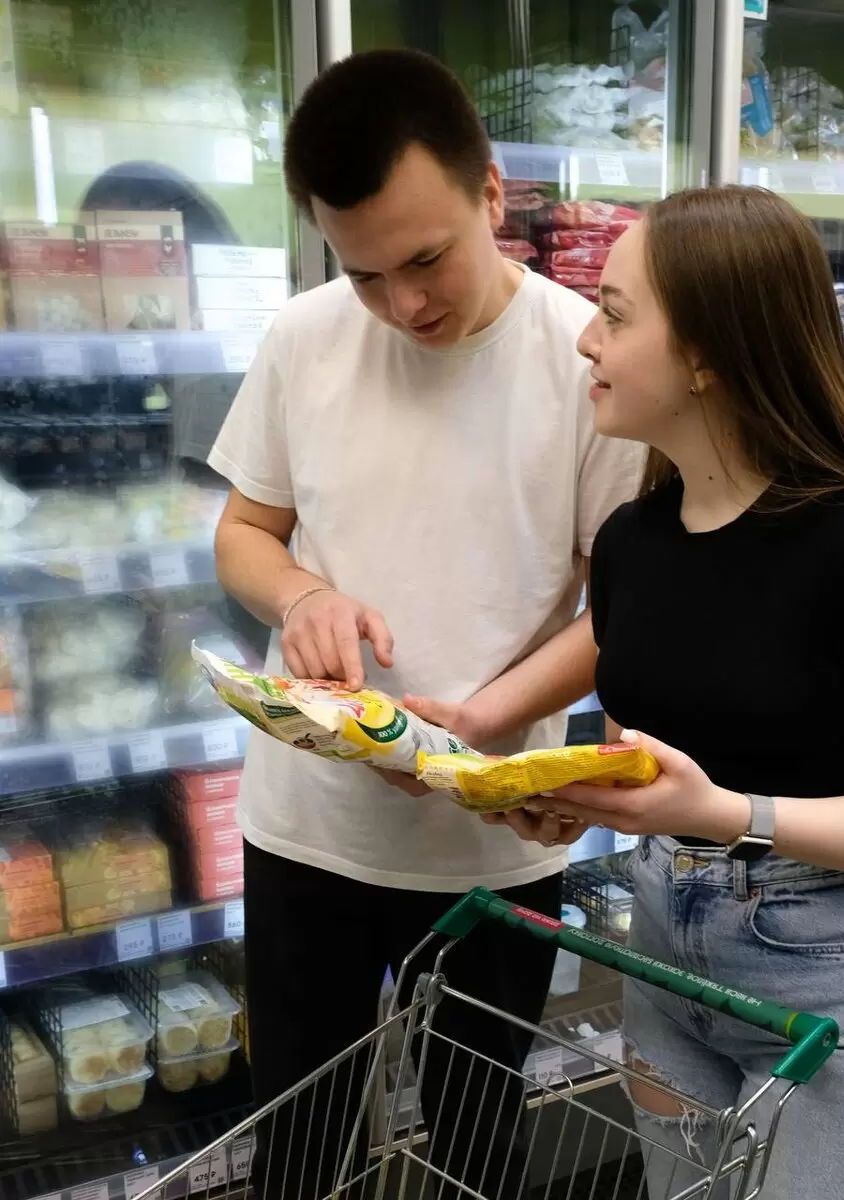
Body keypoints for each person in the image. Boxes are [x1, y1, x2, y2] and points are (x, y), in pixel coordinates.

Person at [207, 48, 640, 1198]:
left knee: (478, 1150)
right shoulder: (304, 338)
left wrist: (479, 727)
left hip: (494, 839)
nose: (404, 305)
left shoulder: (587, 360)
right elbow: (243, 534)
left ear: (492, 193)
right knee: (300, 1153)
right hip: (308, 831)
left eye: (425, 259)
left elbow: (622, 606)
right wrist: (305, 596)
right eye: (363, 274)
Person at [473, 184, 844, 1200]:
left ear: (706, 355)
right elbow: (649, 766)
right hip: (662, 948)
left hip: (833, 971)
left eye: (614, 315)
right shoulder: (632, 543)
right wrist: (574, 799)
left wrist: (728, 816)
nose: (585, 342)